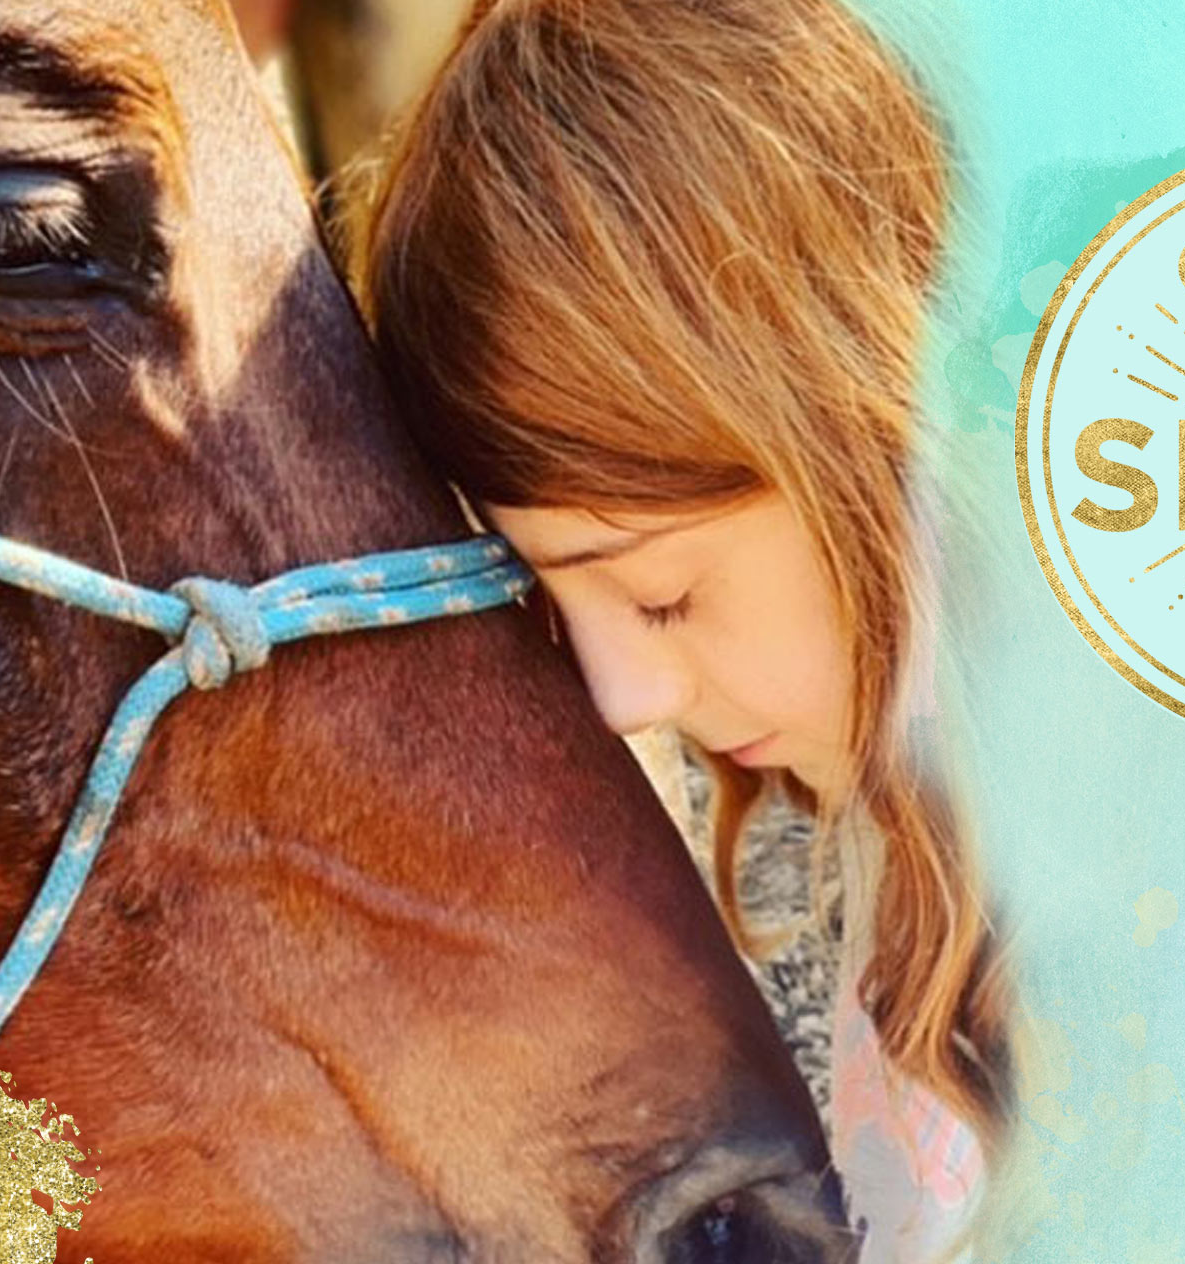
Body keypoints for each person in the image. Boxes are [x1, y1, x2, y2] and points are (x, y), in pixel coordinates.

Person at [348, 0, 1013, 1258]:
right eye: (560, 606)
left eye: (657, 594)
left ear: (877, 426)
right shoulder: (791, 848)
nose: (622, 698)